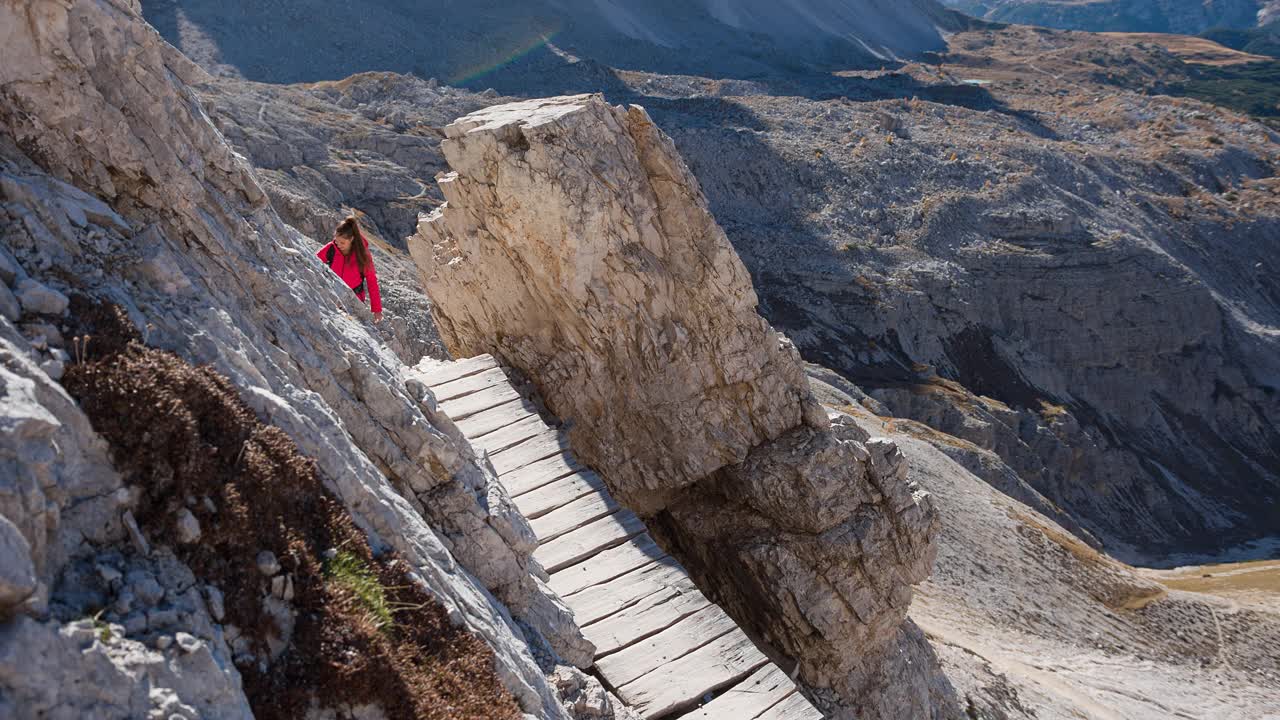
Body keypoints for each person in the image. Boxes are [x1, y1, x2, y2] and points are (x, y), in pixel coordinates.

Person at [317, 216, 383, 323]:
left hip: (355, 301)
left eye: (342, 242)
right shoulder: (331, 248)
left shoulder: (362, 255)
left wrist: (376, 310)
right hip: (333, 296)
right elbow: (313, 263)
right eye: (337, 241)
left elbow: (372, 281)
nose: (338, 245)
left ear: (351, 239)